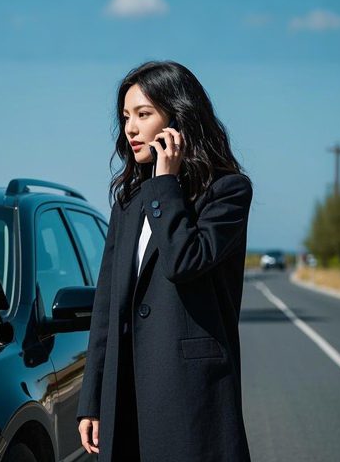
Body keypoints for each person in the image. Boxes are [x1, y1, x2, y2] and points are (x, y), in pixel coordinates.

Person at [77, 61, 253, 462]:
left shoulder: (228, 192)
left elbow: (185, 261)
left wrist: (165, 183)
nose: (131, 129)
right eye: (126, 117)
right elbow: (106, 306)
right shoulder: (130, 201)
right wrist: (93, 399)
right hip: (126, 391)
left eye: (144, 114)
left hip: (189, 396)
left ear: (178, 119)